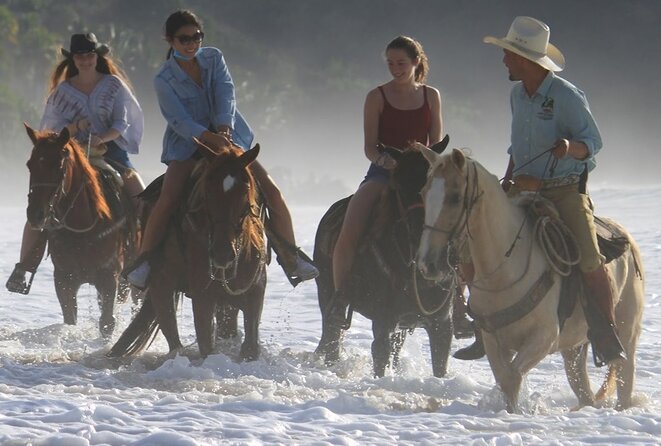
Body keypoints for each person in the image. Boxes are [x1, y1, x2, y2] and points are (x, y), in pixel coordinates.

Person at [455, 16, 625, 366]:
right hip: (522, 187)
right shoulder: (518, 95)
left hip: (564, 191)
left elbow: (594, 142)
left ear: (525, 60)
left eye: (508, 55)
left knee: (590, 259)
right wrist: (506, 180)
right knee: (474, 247)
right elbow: (517, 148)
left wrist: (570, 147)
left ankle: (605, 334)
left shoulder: (566, 96)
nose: (503, 61)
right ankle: (482, 327)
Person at [125, 9, 318, 289]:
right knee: (167, 199)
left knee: (272, 192)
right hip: (188, 144)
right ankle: (144, 263)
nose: (192, 43)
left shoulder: (214, 58)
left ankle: (291, 256)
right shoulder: (163, 79)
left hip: (229, 137)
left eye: (197, 37)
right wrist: (209, 138)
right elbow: (178, 119)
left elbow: (226, 91)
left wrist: (224, 128)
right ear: (169, 40)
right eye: (184, 39)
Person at [6, 32, 145, 295]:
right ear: (74, 59)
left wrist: (101, 139)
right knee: (41, 203)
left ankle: (140, 263)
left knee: (142, 198)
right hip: (71, 153)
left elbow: (122, 123)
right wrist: (76, 128)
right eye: (80, 56)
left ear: (97, 56)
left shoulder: (114, 85)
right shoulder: (62, 92)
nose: (86, 60)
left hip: (110, 151)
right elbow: (51, 130)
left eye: (90, 55)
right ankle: (24, 268)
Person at [327, 36, 443, 327]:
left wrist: (424, 166)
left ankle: (460, 301)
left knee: (457, 224)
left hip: (421, 176)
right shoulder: (376, 96)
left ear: (416, 62)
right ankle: (340, 298)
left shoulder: (432, 96)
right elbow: (370, 146)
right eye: (390, 63)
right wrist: (387, 163)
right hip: (383, 173)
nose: (395, 68)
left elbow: (437, 143)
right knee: (349, 230)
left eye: (401, 63)